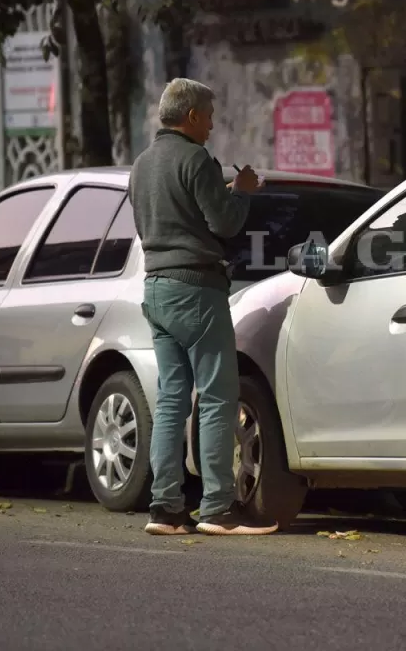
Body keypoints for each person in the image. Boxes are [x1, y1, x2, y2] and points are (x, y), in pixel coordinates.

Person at [128, 77, 278, 537]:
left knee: (172, 402)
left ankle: (165, 508)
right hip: (197, 290)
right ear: (190, 116)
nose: (212, 125)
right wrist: (242, 190)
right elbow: (225, 222)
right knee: (217, 398)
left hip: (156, 288)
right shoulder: (195, 159)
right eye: (209, 115)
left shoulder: (142, 164)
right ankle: (217, 508)